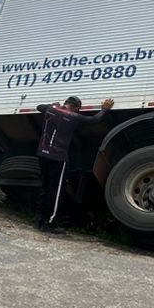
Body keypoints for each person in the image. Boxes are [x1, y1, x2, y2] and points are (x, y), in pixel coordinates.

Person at [35, 94, 114, 233]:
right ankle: (49, 223)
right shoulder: (75, 117)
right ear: (77, 108)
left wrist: (54, 104)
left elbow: (39, 107)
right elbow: (95, 119)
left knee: (45, 187)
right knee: (56, 191)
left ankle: (39, 219)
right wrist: (104, 109)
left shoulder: (50, 109)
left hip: (42, 154)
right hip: (58, 158)